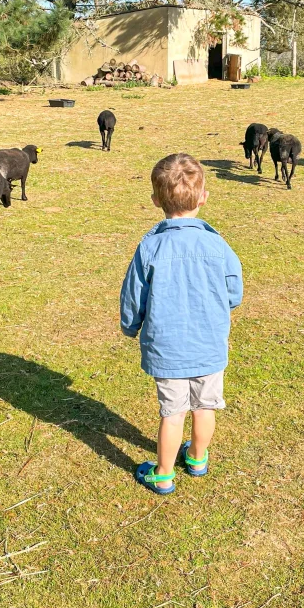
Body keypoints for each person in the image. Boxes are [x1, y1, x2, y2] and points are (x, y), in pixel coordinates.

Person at [120, 152, 243, 494]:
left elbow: (133, 295)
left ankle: (163, 473)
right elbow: (234, 289)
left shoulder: (150, 248)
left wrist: (130, 325)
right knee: (205, 407)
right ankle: (198, 457)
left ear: (156, 199)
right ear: (203, 197)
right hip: (209, 346)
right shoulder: (218, 245)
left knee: (172, 414)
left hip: (167, 350)